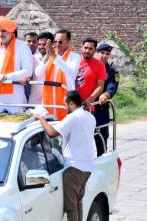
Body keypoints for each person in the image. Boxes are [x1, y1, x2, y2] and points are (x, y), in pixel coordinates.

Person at [33, 90, 95, 221]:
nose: (64, 107)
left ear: (72, 104)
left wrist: (40, 118)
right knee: (78, 203)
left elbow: (51, 133)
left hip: (74, 168)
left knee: (71, 207)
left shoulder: (73, 118)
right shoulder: (90, 117)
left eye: (65, 105)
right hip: (87, 167)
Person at [0, 16, 33, 114]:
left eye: (4, 31)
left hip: (13, 97)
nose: (0, 34)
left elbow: (28, 71)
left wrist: (6, 77)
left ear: (11, 32)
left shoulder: (22, 47)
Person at [35, 29, 80, 120]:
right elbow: (38, 73)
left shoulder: (75, 57)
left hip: (66, 99)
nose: (57, 45)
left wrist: (54, 57)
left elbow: (70, 73)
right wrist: (47, 57)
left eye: (61, 42)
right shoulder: (50, 55)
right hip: (49, 99)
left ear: (68, 42)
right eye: (55, 42)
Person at [94, 43, 119, 156]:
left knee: (102, 140)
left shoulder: (112, 71)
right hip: (86, 108)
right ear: (97, 53)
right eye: (102, 53)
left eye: (107, 54)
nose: (104, 56)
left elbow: (112, 87)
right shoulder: (87, 66)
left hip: (101, 109)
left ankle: (102, 164)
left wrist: (106, 95)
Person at [76, 38, 106, 110]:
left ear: (95, 50)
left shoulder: (100, 65)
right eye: (85, 48)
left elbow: (100, 86)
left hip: (87, 106)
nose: (87, 51)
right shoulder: (73, 61)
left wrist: (89, 99)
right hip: (70, 105)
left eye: (90, 49)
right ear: (81, 48)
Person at [28, 32, 54, 104]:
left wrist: (49, 55)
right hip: (34, 100)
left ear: (51, 44)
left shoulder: (56, 59)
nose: (41, 46)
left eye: (44, 44)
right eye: (39, 44)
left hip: (51, 100)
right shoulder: (33, 58)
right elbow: (35, 74)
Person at [23, 32, 39, 102]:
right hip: (21, 88)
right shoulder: (19, 56)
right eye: (29, 41)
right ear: (24, 42)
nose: (31, 43)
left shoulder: (40, 58)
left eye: (34, 41)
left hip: (35, 92)